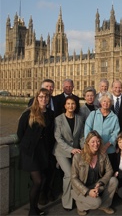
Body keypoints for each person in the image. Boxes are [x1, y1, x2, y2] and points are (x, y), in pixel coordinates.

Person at [17, 88, 54, 216]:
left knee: (41, 180)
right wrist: (27, 146)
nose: (44, 99)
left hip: (42, 152)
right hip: (30, 152)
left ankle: (35, 207)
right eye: (41, 97)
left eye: (46, 97)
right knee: (38, 181)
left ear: (49, 98)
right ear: (37, 98)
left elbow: (50, 134)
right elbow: (20, 133)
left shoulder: (50, 114)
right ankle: (32, 210)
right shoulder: (29, 113)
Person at [71, 130, 118, 216]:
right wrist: (88, 192)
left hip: (96, 185)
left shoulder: (103, 154)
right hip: (82, 188)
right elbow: (73, 178)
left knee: (114, 180)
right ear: (87, 142)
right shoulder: (78, 156)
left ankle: (104, 205)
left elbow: (110, 170)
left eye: (98, 141)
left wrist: (100, 183)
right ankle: (80, 206)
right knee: (97, 202)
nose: (96, 144)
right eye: (93, 141)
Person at [27, 79, 57, 205]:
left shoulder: (53, 106)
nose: (49, 89)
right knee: (38, 179)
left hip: (49, 146)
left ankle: (47, 193)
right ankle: (39, 199)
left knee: (49, 172)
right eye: (47, 87)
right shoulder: (31, 108)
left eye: (51, 87)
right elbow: (22, 131)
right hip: (35, 150)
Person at [53, 96, 85, 210]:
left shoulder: (79, 118)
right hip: (61, 152)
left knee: (77, 175)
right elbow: (58, 138)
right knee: (68, 175)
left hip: (76, 151)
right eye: (68, 104)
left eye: (73, 104)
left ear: (76, 105)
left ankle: (77, 199)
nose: (71, 106)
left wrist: (84, 149)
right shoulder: (58, 119)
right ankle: (67, 202)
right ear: (65, 105)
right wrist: (70, 149)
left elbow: (81, 136)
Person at [84, 92, 120, 171]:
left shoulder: (114, 117)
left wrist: (107, 145)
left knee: (108, 170)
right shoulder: (93, 114)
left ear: (111, 103)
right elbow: (87, 129)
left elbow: (115, 133)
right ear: (100, 102)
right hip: (93, 148)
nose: (106, 103)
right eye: (104, 101)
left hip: (109, 150)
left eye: (108, 101)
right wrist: (89, 144)